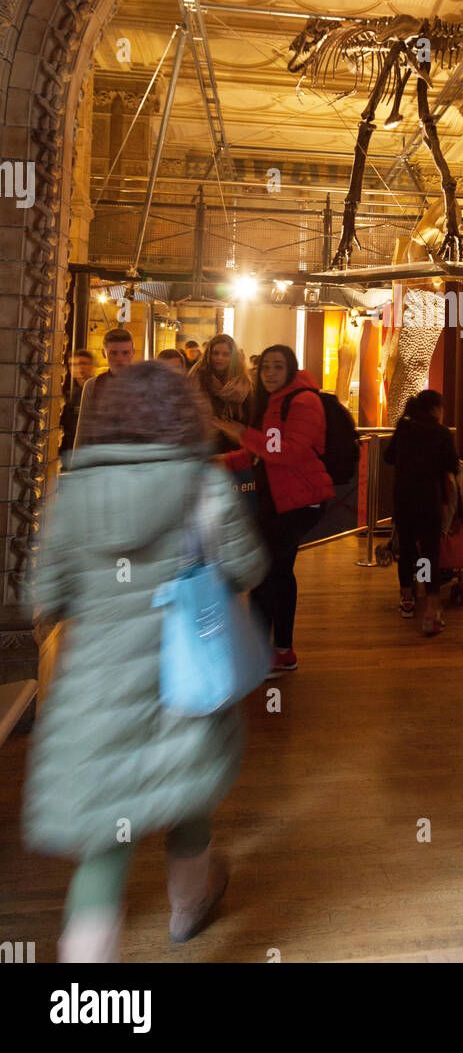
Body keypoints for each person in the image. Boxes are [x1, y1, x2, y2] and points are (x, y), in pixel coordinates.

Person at [22, 361, 269, 962]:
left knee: (106, 840)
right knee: (185, 796)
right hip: (187, 678)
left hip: (97, 690)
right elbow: (250, 569)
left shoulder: (73, 488)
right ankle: (188, 909)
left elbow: (44, 596)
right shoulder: (203, 484)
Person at [218, 345, 333, 677]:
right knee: (277, 573)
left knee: (265, 572)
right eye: (265, 367)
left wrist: (241, 433)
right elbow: (263, 453)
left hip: (299, 502)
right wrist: (222, 460)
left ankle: (260, 652)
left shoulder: (304, 401)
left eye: (277, 367)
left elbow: (290, 452)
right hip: (278, 501)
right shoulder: (276, 402)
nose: (269, 372)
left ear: (290, 369)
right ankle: (279, 650)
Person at [384, 389, 459, 637]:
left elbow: (389, 456)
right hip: (429, 500)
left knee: (406, 548)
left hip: (404, 498)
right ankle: (430, 610)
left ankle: (407, 600)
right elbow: (453, 466)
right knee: (428, 552)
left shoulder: (404, 427)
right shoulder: (441, 433)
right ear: (436, 408)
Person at [189, 333, 252, 455]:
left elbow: (249, 415)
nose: (219, 358)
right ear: (209, 354)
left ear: (232, 356)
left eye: (225, 354)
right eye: (215, 353)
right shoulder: (197, 378)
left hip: (235, 447)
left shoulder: (242, 382)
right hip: (204, 445)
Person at [73, 327, 134, 450]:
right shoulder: (93, 386)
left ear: (132, 352)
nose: (119, 359)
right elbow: (83, 432)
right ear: (104, 353)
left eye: (125, 353)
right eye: (113, 353)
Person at [59, 349, 95, 466]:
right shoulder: (69, 396)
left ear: (92, 366)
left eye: (83, 363)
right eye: (73, 364)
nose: (79, 368)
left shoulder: (98, 391)